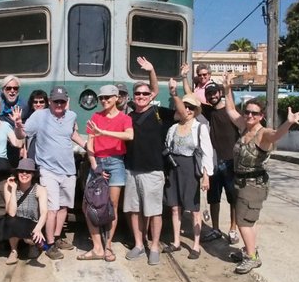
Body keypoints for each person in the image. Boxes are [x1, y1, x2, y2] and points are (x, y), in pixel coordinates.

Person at [222, 72, 299, 274]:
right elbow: (229, 109)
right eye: (247, 112)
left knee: (243, 222)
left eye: (254, 113)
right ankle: (249, 250)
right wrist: (227, 90)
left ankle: (252, 258)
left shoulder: (263, 134)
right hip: (241, 182)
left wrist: (288, 122)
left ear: (261, 115)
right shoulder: (244, 127)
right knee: (248, 221)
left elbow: (277, 134)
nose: (249, 115)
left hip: (253, 185)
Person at [123, 58, 185, 266]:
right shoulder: (128, 117)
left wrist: (174, 94)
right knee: (134, 210)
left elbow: (182, 114)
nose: (141, 96)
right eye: (137, 94)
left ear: (151, 96)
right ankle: (139, 244)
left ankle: (155, 246)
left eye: (144, 93)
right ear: (133, 97)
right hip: (131, 170)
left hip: (153, 171)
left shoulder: (159, 113)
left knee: (154, 211)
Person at [13, 86, 86, 260]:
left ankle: (58, 236)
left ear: (66, 102)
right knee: (52, 208)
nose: (59, 104)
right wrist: (17, 125)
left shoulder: (71, 116)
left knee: (63, 207)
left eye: (62, 101)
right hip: (48, 169)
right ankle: (50, 244)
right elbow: (22, 134)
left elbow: (73, 134)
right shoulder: (39, 116)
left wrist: (87, 146)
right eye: (56, 101)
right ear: (50, 102)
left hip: (68, 169)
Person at [181, 64, 240, 244]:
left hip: (231, 161)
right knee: (214, 197)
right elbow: (191, 96)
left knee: (233, 198)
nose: (213, 96)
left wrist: (228, 85)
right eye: (210, 95)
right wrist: (184, 77)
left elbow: (230, 101)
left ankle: (232, 229)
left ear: (220, 93)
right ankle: (215, 228)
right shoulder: (207, 111)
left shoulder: (231, 112)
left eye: (215, 93)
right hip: (214, 161)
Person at [78, 84, 133, 262]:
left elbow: (129, 136)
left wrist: (103, 132)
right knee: (89, 205)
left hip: (116, 162)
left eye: (108, 97)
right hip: (98, 163)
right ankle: (97, 247)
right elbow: (91, 144)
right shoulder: (95, 117)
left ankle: (108, 245)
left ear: (117, 98)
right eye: (102, 98)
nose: (104, 100)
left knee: (112, 205)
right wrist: (95, 166)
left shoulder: (125, 118)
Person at [163, 93, 214, 260]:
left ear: (196, 110)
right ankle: (176, 242)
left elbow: (207, 153)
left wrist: (206, 176)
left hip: (190, 168)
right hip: (174, 169)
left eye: (191, 107)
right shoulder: (173, 128)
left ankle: (196, 245)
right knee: (175, 207)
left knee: (194, 209)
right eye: (185, 106)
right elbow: (167, 148)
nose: (188, 110)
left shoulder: (200, 128)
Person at [1, 158, 48, 265]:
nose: (24, 174)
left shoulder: (40, 189)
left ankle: (33, 244)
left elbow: (44, 212)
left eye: (28, 172)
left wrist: (38, 229)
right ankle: (14, 250)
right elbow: (11, 212)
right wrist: (13, 190)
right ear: (17, 173)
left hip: (31, 223)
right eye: (21, 171)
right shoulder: (8, 186)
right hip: (16, 222)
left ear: (33, 174)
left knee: (33, 240)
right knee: (10, 220)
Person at [21, 90, 50, 160]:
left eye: (41, 102)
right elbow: (25, 138)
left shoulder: (51, 117)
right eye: (35, 102)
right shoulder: (26, 118)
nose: (38, 104)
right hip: (32, 153)